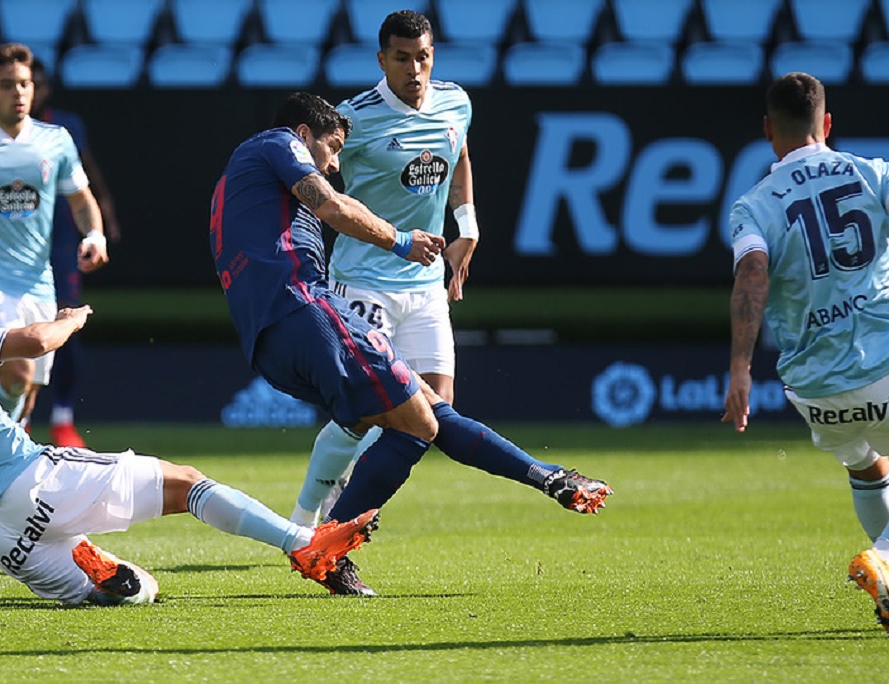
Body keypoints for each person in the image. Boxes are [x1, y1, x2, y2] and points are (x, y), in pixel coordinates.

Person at [210, 91, 611, 595]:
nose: (334, 164)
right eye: (332, 149)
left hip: (271, 342)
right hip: (304, 312)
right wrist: (402, 241)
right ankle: (324, 547)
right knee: (420, 421)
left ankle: (549, 478)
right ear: (305, 135)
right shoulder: (278, 143)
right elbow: (331, 205)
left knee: (418, 409)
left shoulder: (243, 176)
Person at [721, 72, 889, 638]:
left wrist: (740, 368)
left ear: (768, 131)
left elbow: (752, 273)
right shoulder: (873, 171)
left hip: (811, 385)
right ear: (827, 124)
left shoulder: (753, 204)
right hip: (883, 361)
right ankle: (884, 557)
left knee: (868, 468)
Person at [0, 306, 380, 606]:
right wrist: (70, 321)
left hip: (0, 539)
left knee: (141, 588)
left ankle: (116, 585)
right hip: (25, 479)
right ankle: (304, 544)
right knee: (186, 484)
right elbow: (35, 341)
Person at [289, 9, 480, 529]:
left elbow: (458, 154)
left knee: (435, 412)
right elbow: (316, 180)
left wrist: (468, 227)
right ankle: (314, 514)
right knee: (363, 412)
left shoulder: (455, 102)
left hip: (425, 283)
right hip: (361, 278)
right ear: (382, 60)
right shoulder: (354, 118)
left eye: (422, 57)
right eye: (402, 58)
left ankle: (341, 504)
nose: (414, 70)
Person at [0, 43, 109, 431]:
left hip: (37, 284)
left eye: (24, 84)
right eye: (7, 85)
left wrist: (94, 234)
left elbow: (80, 198)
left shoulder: (55, 140)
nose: (19, 92)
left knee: (27, 393)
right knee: (18, 371)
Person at [30, 56, 123, 448]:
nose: (27, 92)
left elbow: (87, 173)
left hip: (62, 239)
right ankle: (18, 419)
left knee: (65, 321)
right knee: (15, 329)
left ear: (45, 88)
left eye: (34, 83)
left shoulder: (65, 126)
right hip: (9, 247)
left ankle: (63, 419)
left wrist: (104, 218)